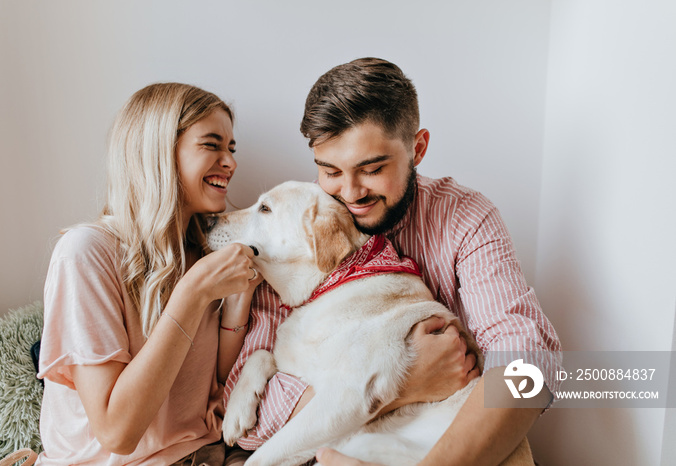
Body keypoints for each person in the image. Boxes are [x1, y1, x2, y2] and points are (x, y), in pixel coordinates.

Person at [224, 58, 562, 465]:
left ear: (417, 149)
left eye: (372, 169)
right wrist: (393, 388)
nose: (348, 193)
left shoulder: (465, 219)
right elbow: (249, 425)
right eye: (329, 170)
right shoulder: (295, 225)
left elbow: (527, 366)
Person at [36, 83, 259, 465]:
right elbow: (118, 433)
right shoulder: (86, 254)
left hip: (207, 455)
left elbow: (215, 383)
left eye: (231, 149)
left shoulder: (203, 252)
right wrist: (191, 294)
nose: (231, 163)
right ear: (157, 152)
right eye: (212, 145)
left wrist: (239, 300)